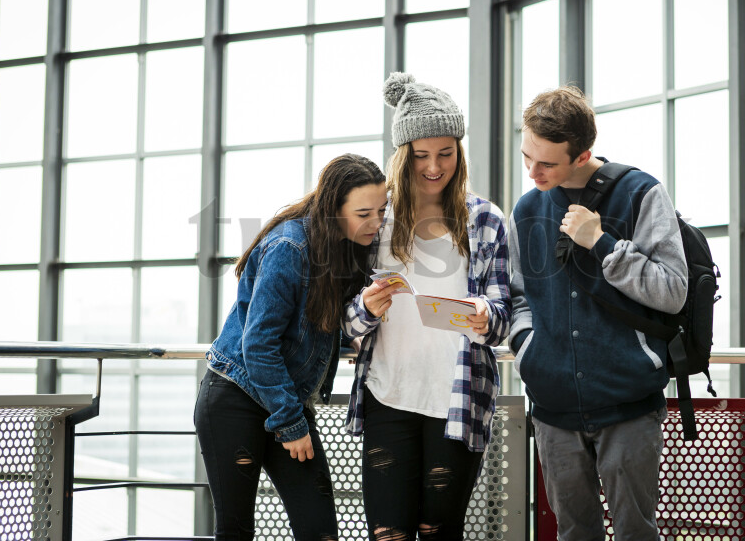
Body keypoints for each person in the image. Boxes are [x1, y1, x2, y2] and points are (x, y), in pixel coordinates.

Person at [508, 86, 687, 541]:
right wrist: (530, 350)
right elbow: (518, 296)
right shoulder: (527, 208)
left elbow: (673, 291)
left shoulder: (639, 193)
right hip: (552, 408)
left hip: (628, 405)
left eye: (547, 162)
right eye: (527, 155)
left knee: (635, 533)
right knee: (573, 534)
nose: (533, 171)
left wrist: (602, 244)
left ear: (583, 153)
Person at [342, 72, 511, 541]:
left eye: (446, 153)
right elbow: (343, 324)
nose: (434, 167)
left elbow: (503, 318)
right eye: (420, 156)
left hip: (456, 399)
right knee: (387, 534)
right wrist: (367, 308)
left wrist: (484, 316)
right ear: (402, 156)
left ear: (460, 150)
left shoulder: (485, 220)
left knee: (439, 531)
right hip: (387, 395)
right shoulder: (378, 221)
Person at [194, 154, 387, 541]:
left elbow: (317, 325)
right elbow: (259, 344)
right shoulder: (290, 246)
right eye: (364, 213)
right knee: (235, 532)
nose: (377, 222)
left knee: (320, 531)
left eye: (381, 210)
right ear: (334, 210)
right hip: (236, 401)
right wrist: (290, 422)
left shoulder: (343, 246)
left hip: (286, 400)